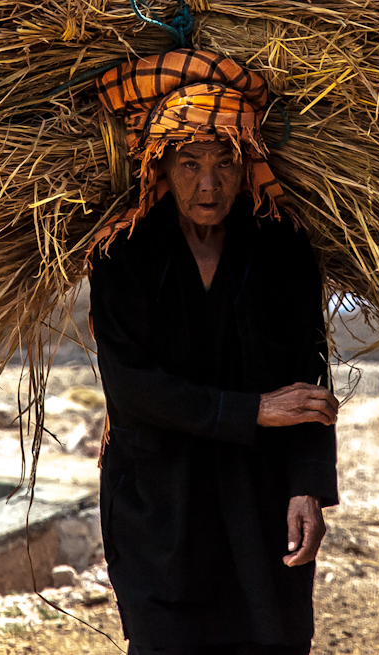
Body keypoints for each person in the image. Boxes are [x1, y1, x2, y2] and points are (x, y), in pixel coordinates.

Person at [89, 49, 341, 655]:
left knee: (272, 638)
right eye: (190, 162)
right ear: (160, 165)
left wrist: (308, 485)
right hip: (160, 504)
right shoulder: (124, 255)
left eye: (226, 161)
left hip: (260, 501)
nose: (209, 183)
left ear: (247, 162)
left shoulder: (281, 247)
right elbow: (131, 388)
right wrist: (252, 409)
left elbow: (308, 379)